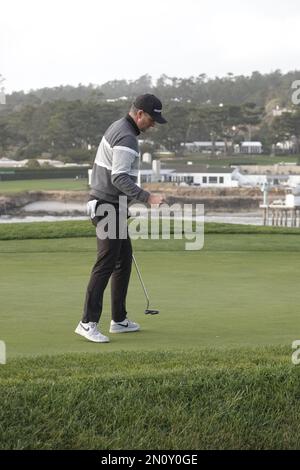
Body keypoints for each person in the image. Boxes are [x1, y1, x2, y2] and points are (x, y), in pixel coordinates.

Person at [75, 94, 167, 343]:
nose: (153, 124)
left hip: (111, 206)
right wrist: (148, 198)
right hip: (107, 207)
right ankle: (87, 323)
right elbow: (119, 178)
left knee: (123, 260)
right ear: (139, 114)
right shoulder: (127, 137)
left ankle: (119, 319)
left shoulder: (120, 127)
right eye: (151, 118)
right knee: (105, 264)